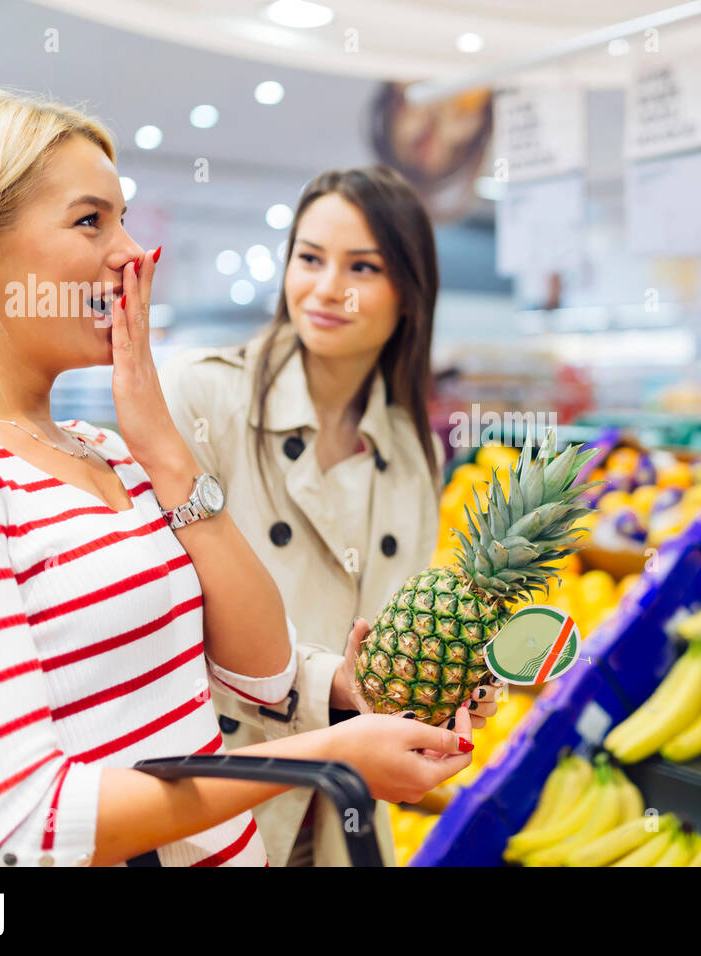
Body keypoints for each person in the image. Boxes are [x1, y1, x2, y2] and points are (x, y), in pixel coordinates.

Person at [0, 89, 480, 868]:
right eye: (92, 221)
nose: (130, 254)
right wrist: (328, 757)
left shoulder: (108, 450)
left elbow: (265, 670)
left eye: (123, 219)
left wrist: (161, 444)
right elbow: (26, 830)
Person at [160, 165, 476, 867]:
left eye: (361, 266)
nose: (327, 288)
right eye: (309, 258)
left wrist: (443, 695)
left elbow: (387, 645)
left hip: (337, 811)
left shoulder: (412, 451)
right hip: (214, 787)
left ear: (409, 294)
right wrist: (326, 686)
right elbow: (167, 611)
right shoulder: (205, 396)